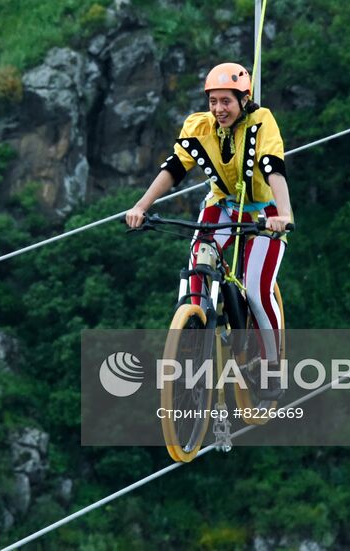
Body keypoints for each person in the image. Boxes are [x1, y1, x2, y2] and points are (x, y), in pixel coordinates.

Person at [125, 62, 294, 398]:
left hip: (265, 211)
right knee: (197, 269)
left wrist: (284, 214)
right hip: (223, 206)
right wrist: (142, 207)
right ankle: (193, 330)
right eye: (213, 101)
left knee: (258, 291)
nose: (218, 109)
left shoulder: (262, 123)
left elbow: (274, 169)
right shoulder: (199, 127)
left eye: (226, 101)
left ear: (243, 100)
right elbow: (173, 169)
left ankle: (272, 366)